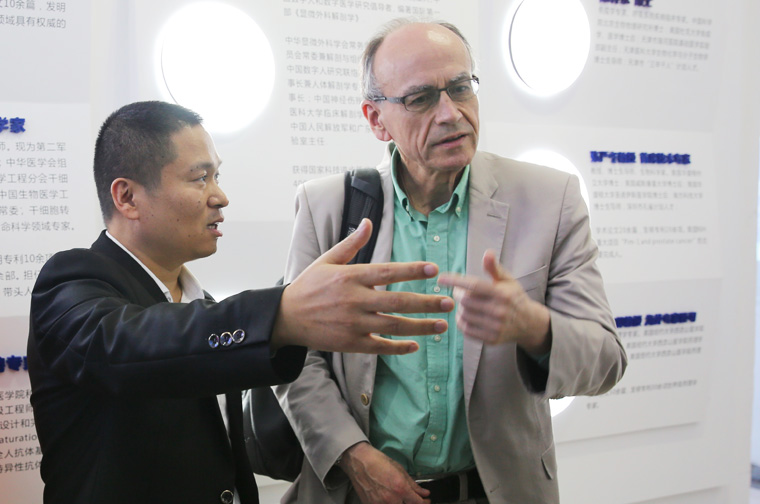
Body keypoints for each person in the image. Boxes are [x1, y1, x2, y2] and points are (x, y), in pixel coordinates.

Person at [26, 100, 455, 504]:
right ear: (127, 197)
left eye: (217, 176)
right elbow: (126, 346)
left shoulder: (204, 305)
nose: (220, 197)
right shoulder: (72, 279)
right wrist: (280, 314)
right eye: (200, 178)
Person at [275, 19, 628, 504]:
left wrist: (534, 327)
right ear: (377, 120)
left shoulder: (551, 200)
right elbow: (296, 359)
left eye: (461, 88)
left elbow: (606, 360)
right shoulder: (327, 208)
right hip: (359, 492)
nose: (450, 113)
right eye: (421, 99)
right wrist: (353, 455)